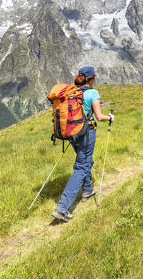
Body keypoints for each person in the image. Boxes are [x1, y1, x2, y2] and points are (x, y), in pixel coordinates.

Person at [52, 66, 114, 222]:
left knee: (85, 161)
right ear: (90, 78)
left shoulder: (72, 92)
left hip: (72, 134)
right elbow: (99, 116)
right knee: (81, 167)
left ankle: (87, 190)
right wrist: (110, 117)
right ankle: (62, 208)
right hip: (86, 133)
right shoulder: (92, 93)